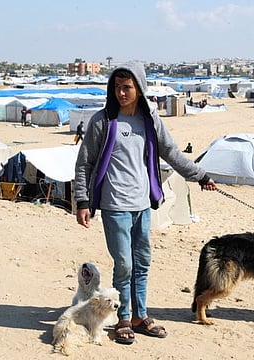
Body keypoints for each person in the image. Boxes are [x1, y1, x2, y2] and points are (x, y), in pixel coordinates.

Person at [73, 61, 216, 345]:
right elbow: (84, 164)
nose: (121, 93)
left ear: (139, 88)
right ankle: (123, 317)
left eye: (126, 87)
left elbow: (172, 153)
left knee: (143, 261)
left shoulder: (150, 120)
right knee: (124, 264)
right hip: (114, 204)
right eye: (116, 87)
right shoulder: (102, 121)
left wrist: (200, 176)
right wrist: (82, 201)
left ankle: (140, 315)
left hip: (142, 204)